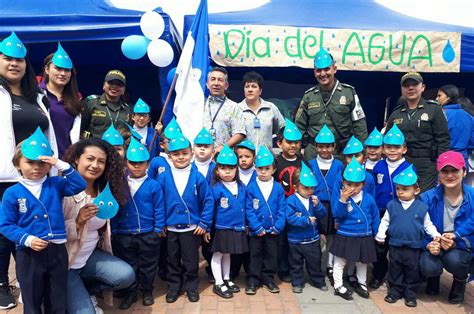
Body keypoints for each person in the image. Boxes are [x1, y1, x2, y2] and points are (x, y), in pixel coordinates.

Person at [0, 32, 59, 310]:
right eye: (7, 58)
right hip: (4, 175)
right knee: (3, 235)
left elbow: (50, 135)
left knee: (35, 227)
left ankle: (28, 284)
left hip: (38, 173)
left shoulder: (38, 96)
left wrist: (55, 167)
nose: (14, 64)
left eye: (19, 60)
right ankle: (1, 284)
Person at [0, 128, 86, 313]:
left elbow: (79, 184)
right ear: (17, 164)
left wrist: (59, 164)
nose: (36, 167)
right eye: (30, 162)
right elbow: (6, 225)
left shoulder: (56, 184)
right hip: (28, 253)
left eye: (42, 163)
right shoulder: (12, 193)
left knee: (57, 298)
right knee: (31, 298)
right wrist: (27, 239)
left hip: (56, 250)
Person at [62, 137, 134, 314]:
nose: (95, 165)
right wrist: (77, 222)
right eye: (90, 159)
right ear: (77, 159)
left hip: (88, 259)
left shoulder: (104, 192)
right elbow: (49, 233)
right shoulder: (62, 190)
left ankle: (85, 291)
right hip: (66, 264)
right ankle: (62, 293)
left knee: (126, 276)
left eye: (101, 161)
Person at [158, 133, 214, 303]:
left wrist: (204, 223)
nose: (181, 157)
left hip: (191, 228)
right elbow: (159, 203)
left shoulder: (198, 177)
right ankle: (174, 286)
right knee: (172, 260)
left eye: (184, 153)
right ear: (169, 156)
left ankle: (191, 287)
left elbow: (208, 200)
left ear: (191, 154)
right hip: (171, 228)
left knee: (191, 261)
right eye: (176, 154)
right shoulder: (163, 177)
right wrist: (160, 224)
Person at [376, 165, 440, 307]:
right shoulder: (392, 205)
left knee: (412, 270)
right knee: (395, 268)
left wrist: (435, 234)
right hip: (395, 244)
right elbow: (385, 221)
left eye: (405, 189)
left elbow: (427, 224)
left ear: (416, 190)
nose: (400, 192)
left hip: (414, 246)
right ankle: (395, 291)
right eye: (398, 188)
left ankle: (410, 293)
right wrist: (381, 235)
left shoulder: (421, 207)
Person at [111, 138, 164, 309]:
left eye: (141, 163)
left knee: (148, 266)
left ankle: (147, 291)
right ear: (126, 162)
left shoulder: (153, 185)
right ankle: (131, 293)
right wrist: (116, 230)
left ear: (147, 164)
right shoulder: (120, 183)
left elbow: (159, 208)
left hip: (148, 234)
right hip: (125, 234)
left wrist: (157, 229)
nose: (137, 166)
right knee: (129, 265)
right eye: (133, 163)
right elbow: (116, 209)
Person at [420, 151, 474, 304]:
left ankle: (459, 282)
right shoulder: (427, 198)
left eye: (454, 170)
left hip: (460, 245)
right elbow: (419, 228)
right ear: (439, 174)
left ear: (464, 172)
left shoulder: (473, 198)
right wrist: (428, 243)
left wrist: (458, 242)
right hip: (435, 242)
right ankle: (433, 279)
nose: (449, 175)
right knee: (427, 264)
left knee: (455, 260)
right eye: (444, 171)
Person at [295, 48, 368, 160]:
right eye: (318, 70)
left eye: (326, 69)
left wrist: (361, 150)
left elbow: (359, 124)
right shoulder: (309, 96)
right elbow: (299, 125)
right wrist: (303, 147)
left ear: (334, 69)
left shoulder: (348, 93)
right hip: (314, 152)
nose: (323, 74)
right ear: (314, 72)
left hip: (341, 152)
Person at [385, 72, 450, 192]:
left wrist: (443, 167)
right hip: (402, 163)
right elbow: (387, 140)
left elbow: (443, 140)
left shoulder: (434, 109)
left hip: (427, 164)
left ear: (423, 87)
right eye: (406, 85)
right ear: (402, 89)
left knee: (424, 198)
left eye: (414, 84)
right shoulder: (396, 114)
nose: (410, 88)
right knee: (403, 198)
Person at [370, 124, 414, 289]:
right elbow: (374, 187)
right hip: (381, 212)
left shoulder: (409, 168)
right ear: (383, 149)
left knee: (396, 247)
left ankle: (397, 278)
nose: (392, 150)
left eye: (397, 147)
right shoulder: (378, 166)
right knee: (379, 246)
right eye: (389, 147)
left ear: (404, 149)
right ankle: (378, 274)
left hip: (400, 214)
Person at [330, 158, 380, 300]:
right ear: (343, 183)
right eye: (348, 184)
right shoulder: (342, 198)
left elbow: (375, 216)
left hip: (364, 234)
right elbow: (337, 214)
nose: (352, 188)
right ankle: (338, 285)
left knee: (362, 261)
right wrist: (342, 200)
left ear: (363, 185)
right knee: (340, 261)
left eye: (357, 185)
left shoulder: (369, 198)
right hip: (345, 233)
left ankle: (361, 283)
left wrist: (377, 233)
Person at [245, 146, 286, 295]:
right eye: (260, 168)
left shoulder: (278, 188)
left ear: (273, 170)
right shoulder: (251, 187)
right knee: (254, 255)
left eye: (267, 169)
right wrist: (256, 227)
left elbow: (282, 209)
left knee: (271, 255)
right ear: (255, 168)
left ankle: (268, 278)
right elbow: (248, 209)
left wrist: (279, 225)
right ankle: (253, 279)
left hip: (273, 230)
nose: (263, 172)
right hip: (256, 231)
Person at [210, 145, 248, 299]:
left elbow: (245, 207)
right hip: (221, 227)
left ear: (236, 169)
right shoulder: (215, 189)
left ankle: (227, 278)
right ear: (217, 170)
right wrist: (207, 228)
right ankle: (218, 282)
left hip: (236, 227)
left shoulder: (241, 186)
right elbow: (209, 209)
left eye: (231, 168)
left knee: (228, 254)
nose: (227, 172)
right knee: (218, 254)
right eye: (223, 168)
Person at [307, 124, 344, 285]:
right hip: (315, 204)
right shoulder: (310, 164)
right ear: (316, 147)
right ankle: (314, 265)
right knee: (315, 235)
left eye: (328, 146)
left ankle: (329, 265)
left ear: (334, 147)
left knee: (331, 237)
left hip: (333, 205)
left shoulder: (339, 165)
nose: (324, 150)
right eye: (321, 146)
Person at [286, 163, 327, 294]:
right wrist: (305, 220)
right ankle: (297, 282)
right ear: (296, 187)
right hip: (295, 240)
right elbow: (290, 218)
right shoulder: (291, 201)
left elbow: (322, 214)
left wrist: (318, 206)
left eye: (312, 188)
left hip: (312, 239)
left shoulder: (313, 200)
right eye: (306, 188)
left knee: (315, 262)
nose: (310, 191)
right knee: (295, 264)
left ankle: (318, 281)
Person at [274, 120, 304, 283]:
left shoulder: (303, 162)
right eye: (289, 142)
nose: (293, 145)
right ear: (279, 143)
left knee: (296, 240)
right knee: (282, 241)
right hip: (281, 208)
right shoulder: (276, 163)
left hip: (298, 208)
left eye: (296, 142)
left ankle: (296, 269)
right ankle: (283, 269)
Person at [40, 43, 82, 158]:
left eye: (67, 70)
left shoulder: (76, 100)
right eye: (58, 68)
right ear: (47, 69)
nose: (63, 73)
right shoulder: (35, 95)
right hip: (39, 158)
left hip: (65, 161)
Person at [192, 128, 216, 283]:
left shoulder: (218, 168)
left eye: (206, 146)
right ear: (193, 148)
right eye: (199, 145)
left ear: (213, 150)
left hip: (212, 216)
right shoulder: (186, 167)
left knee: (210, 247)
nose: (202, 148)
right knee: (190, 249)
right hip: (192, 215)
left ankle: (213, 271)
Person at [238, 71, 285, 151]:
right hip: (244, 159)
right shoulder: (237, 109)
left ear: (260, 91)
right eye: (247, 86)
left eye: (254, 86)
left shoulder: (271, 108)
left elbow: (282, 129)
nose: (250, 90)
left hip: (265, 159)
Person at [203, 67, 246, 152]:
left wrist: (224, 147)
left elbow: (240, 133)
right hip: (201, 155)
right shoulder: (199, 105)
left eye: (220, 80)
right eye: (213, 79)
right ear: (207, 84)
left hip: (225, 157)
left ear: (226, 85)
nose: (216, 83)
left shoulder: (234, 107)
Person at [81, 69, 130, 139]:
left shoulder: (128, 110)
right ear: (104, 85)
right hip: (95, 148)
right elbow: (80, 129)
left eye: (119, 84)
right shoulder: (91, 103)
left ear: (124, 90)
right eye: (111, 83)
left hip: (116, 149)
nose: (114, 86)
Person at [436, 84, 472, 163]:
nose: (436, 99)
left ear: (448, 97)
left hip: (443, 158)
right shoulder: (468, 116)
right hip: (462, 158)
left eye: (439, 96)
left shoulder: (439, 115)